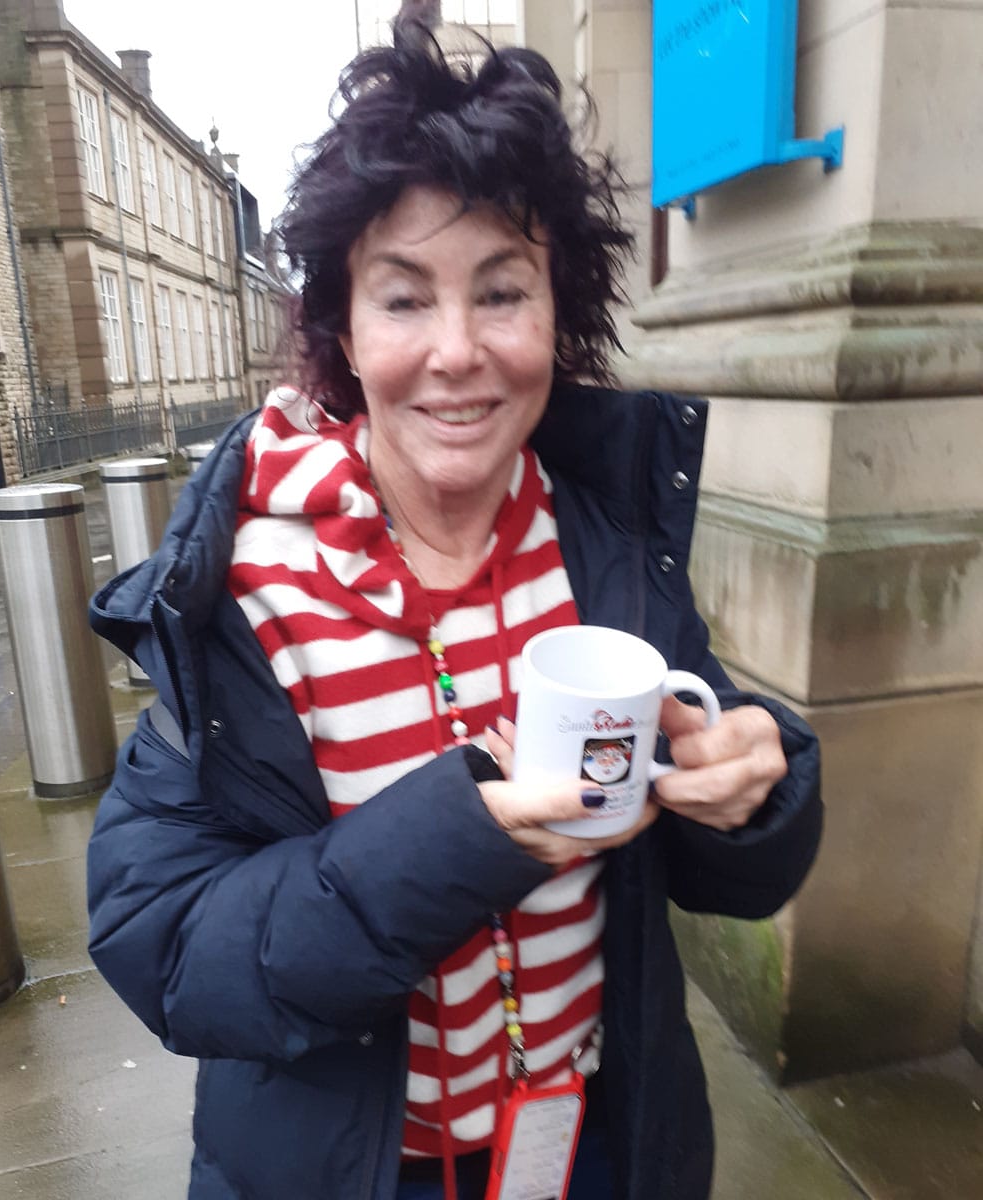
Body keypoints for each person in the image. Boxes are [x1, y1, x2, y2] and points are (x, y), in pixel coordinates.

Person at [87, 22, 821, 1200]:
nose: (458, 352)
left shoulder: (603, 542)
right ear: (341, 328)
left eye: (501, 292)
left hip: (599, 1146)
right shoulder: (247, 590)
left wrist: (758, 786)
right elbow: (166, 946)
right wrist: (462, 837)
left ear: (557, 313)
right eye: (402, 298)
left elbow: (711, 843)